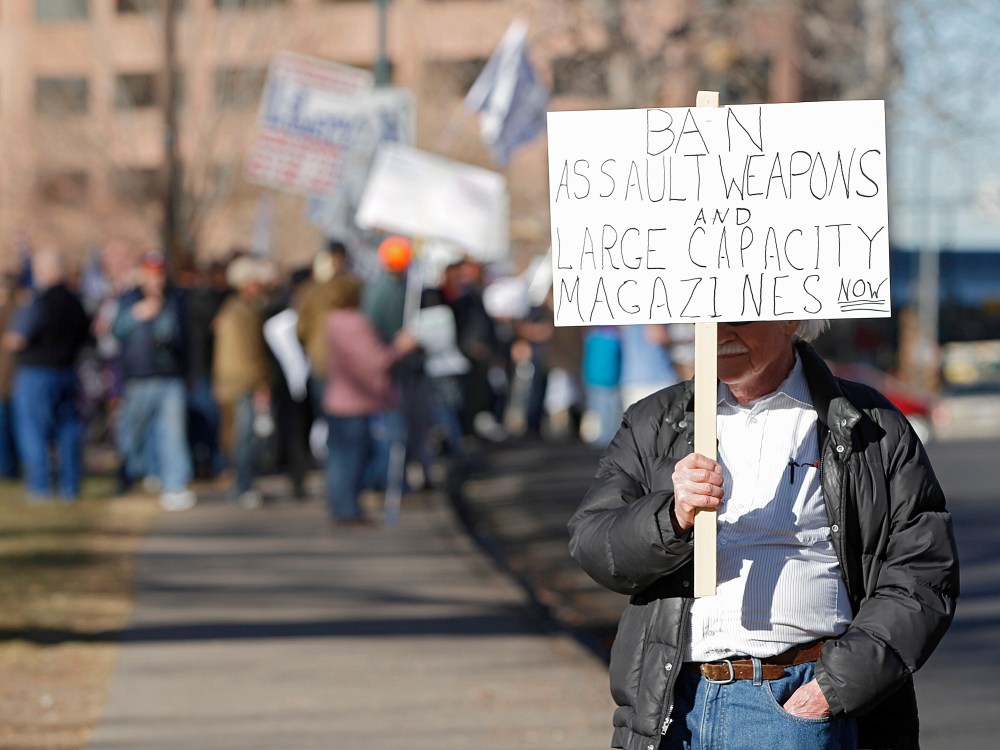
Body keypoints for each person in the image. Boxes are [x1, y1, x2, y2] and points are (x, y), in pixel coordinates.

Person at [567, 319, 959, 750]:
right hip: (671, 708)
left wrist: (828, 692)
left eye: (738, 318)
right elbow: (594, 543)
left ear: (790, 318)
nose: (719, 335)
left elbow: (922, 570)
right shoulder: (655, 421)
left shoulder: (868, 424)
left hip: (795, 702)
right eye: (705, 319)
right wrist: (672, 517)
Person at [322, 275, 417, 525]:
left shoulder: (332, 321)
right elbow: (376, 361)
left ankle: (342, 506)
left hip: (339, 398)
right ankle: (348, 509)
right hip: (357, 400)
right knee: (353, 459)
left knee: (340, 458)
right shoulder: (356, 324)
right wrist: (402, 346)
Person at [2, 250, 91, 501]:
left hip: (36, 374)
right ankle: (70, 487)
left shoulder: (37, 301)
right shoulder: (76, 301)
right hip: (67, 372)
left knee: (33, 433)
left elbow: (16, 339)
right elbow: (87, 336)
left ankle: (39, 487)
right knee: (68, 430)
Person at [111, 250, 196, 511]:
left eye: (159, 274)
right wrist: (137, 315)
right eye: (150, 274)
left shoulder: (176, 298)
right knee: (132, 434)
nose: (156, 279)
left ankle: (174, 484)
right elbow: (115, 331)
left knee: (172, 432)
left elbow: (185, 338)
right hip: (139, 377)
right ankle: (127, 475)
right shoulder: (128, 299)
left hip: (169, 375)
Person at [211, 256, 274, 509]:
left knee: (240, 438)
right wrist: (262, 384)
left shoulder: (235, 309)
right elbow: (251, 353)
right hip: (242, 383)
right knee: (244, 439)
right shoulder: (243, 311)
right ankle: (243, 486)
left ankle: (242, 485)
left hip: (234, 381)